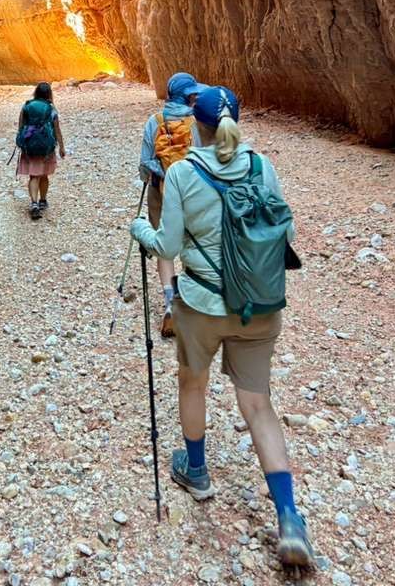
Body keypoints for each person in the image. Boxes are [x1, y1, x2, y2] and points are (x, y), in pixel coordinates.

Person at [130, 85, 313, 567]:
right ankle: (290, 519)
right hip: (260, 304)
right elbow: (286, 234)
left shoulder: (184, 173)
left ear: (198, 125)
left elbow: (167, 246)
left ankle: (196, 469)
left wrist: (140, 231)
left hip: (203, 305)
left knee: (193, 383)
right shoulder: (262, 167)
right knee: (258, 405)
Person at [139, 72, 205, 338]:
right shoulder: (197, 123)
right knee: (191, 243)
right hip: (191, 193)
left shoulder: (153, 123)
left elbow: (145, 166)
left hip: (160, 191)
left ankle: (170, 301)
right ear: (189, 96)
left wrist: (161, 174)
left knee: (164, 247)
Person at [17, 82, 65, 220]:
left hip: (30, 146)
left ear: (36, 92)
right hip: (46, 147)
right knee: (44, 175)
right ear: (49, 94)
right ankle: (43, 201)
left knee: (34, 176)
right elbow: (57, 129)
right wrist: (61, 147)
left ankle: (34, 203)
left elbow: (21, 126)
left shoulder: (26, 106)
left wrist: (21, 142)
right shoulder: (51, 108)